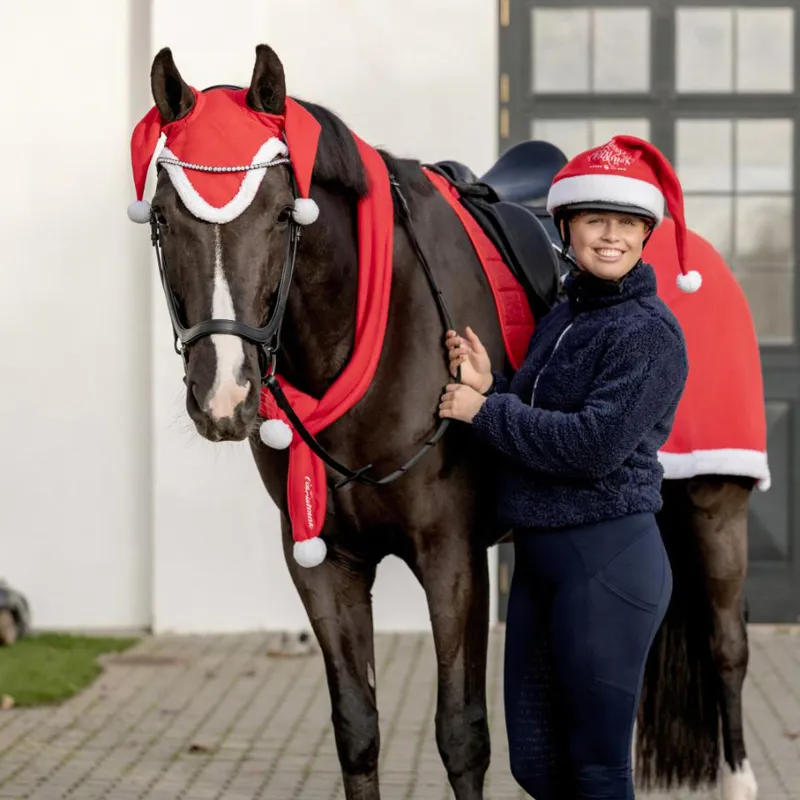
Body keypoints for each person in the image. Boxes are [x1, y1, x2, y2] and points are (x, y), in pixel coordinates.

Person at [438, 136, 695, 799]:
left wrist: (480, 412)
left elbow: (591, 446)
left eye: (627, 223)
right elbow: (540, 414)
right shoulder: (567, 317)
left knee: (597, 768)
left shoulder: (649, 332)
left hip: (608, 559)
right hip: (543, 563)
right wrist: (492, 387)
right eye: (593, 221)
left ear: (645, 234)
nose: (610, 236)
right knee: (537, 766)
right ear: (566, 229)